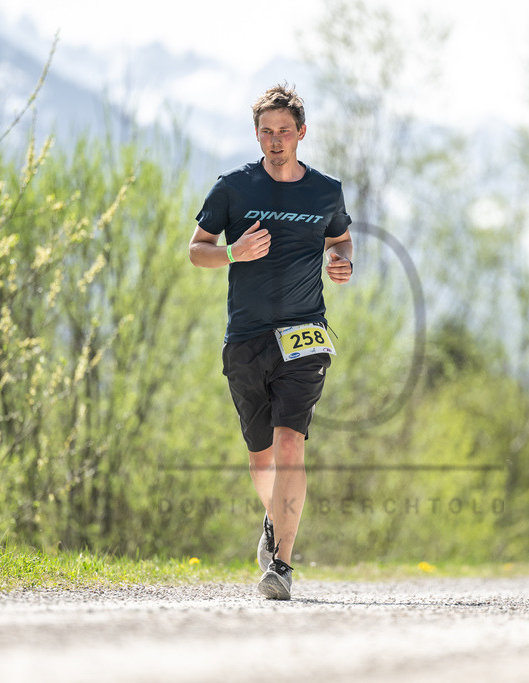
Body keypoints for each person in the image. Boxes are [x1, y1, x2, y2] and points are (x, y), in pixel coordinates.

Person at [188, 83, 353, 600]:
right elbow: (197, 251)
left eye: (285, 131)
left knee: (289, 445)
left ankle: (281, 563)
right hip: (246, 338)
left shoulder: (326, 190)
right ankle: (272, 522)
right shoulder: (234, 188)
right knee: (261, 457)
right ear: (256, 134)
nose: (276, 139)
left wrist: (341, 259)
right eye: (267, 131)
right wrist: (234, 254)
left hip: (304, 335)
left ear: (301, 133)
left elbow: (340, 236)